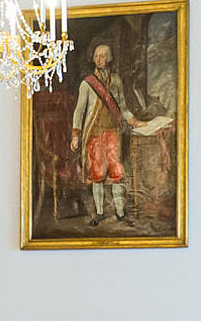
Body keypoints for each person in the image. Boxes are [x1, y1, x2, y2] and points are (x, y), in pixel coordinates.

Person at [67, 41, 171, 229]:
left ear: (110, 58)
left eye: (103, 55)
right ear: (93, 58)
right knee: (97, 175)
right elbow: (79, 111)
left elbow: (122, 107)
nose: (100, 59)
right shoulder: (87, 84)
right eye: (97, 55)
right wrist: (75, 135)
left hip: (114, 134)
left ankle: (120, 212)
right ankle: (99, 213)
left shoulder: (116, 80)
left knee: (117, 174)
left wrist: (135, 122)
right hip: (94, 135)